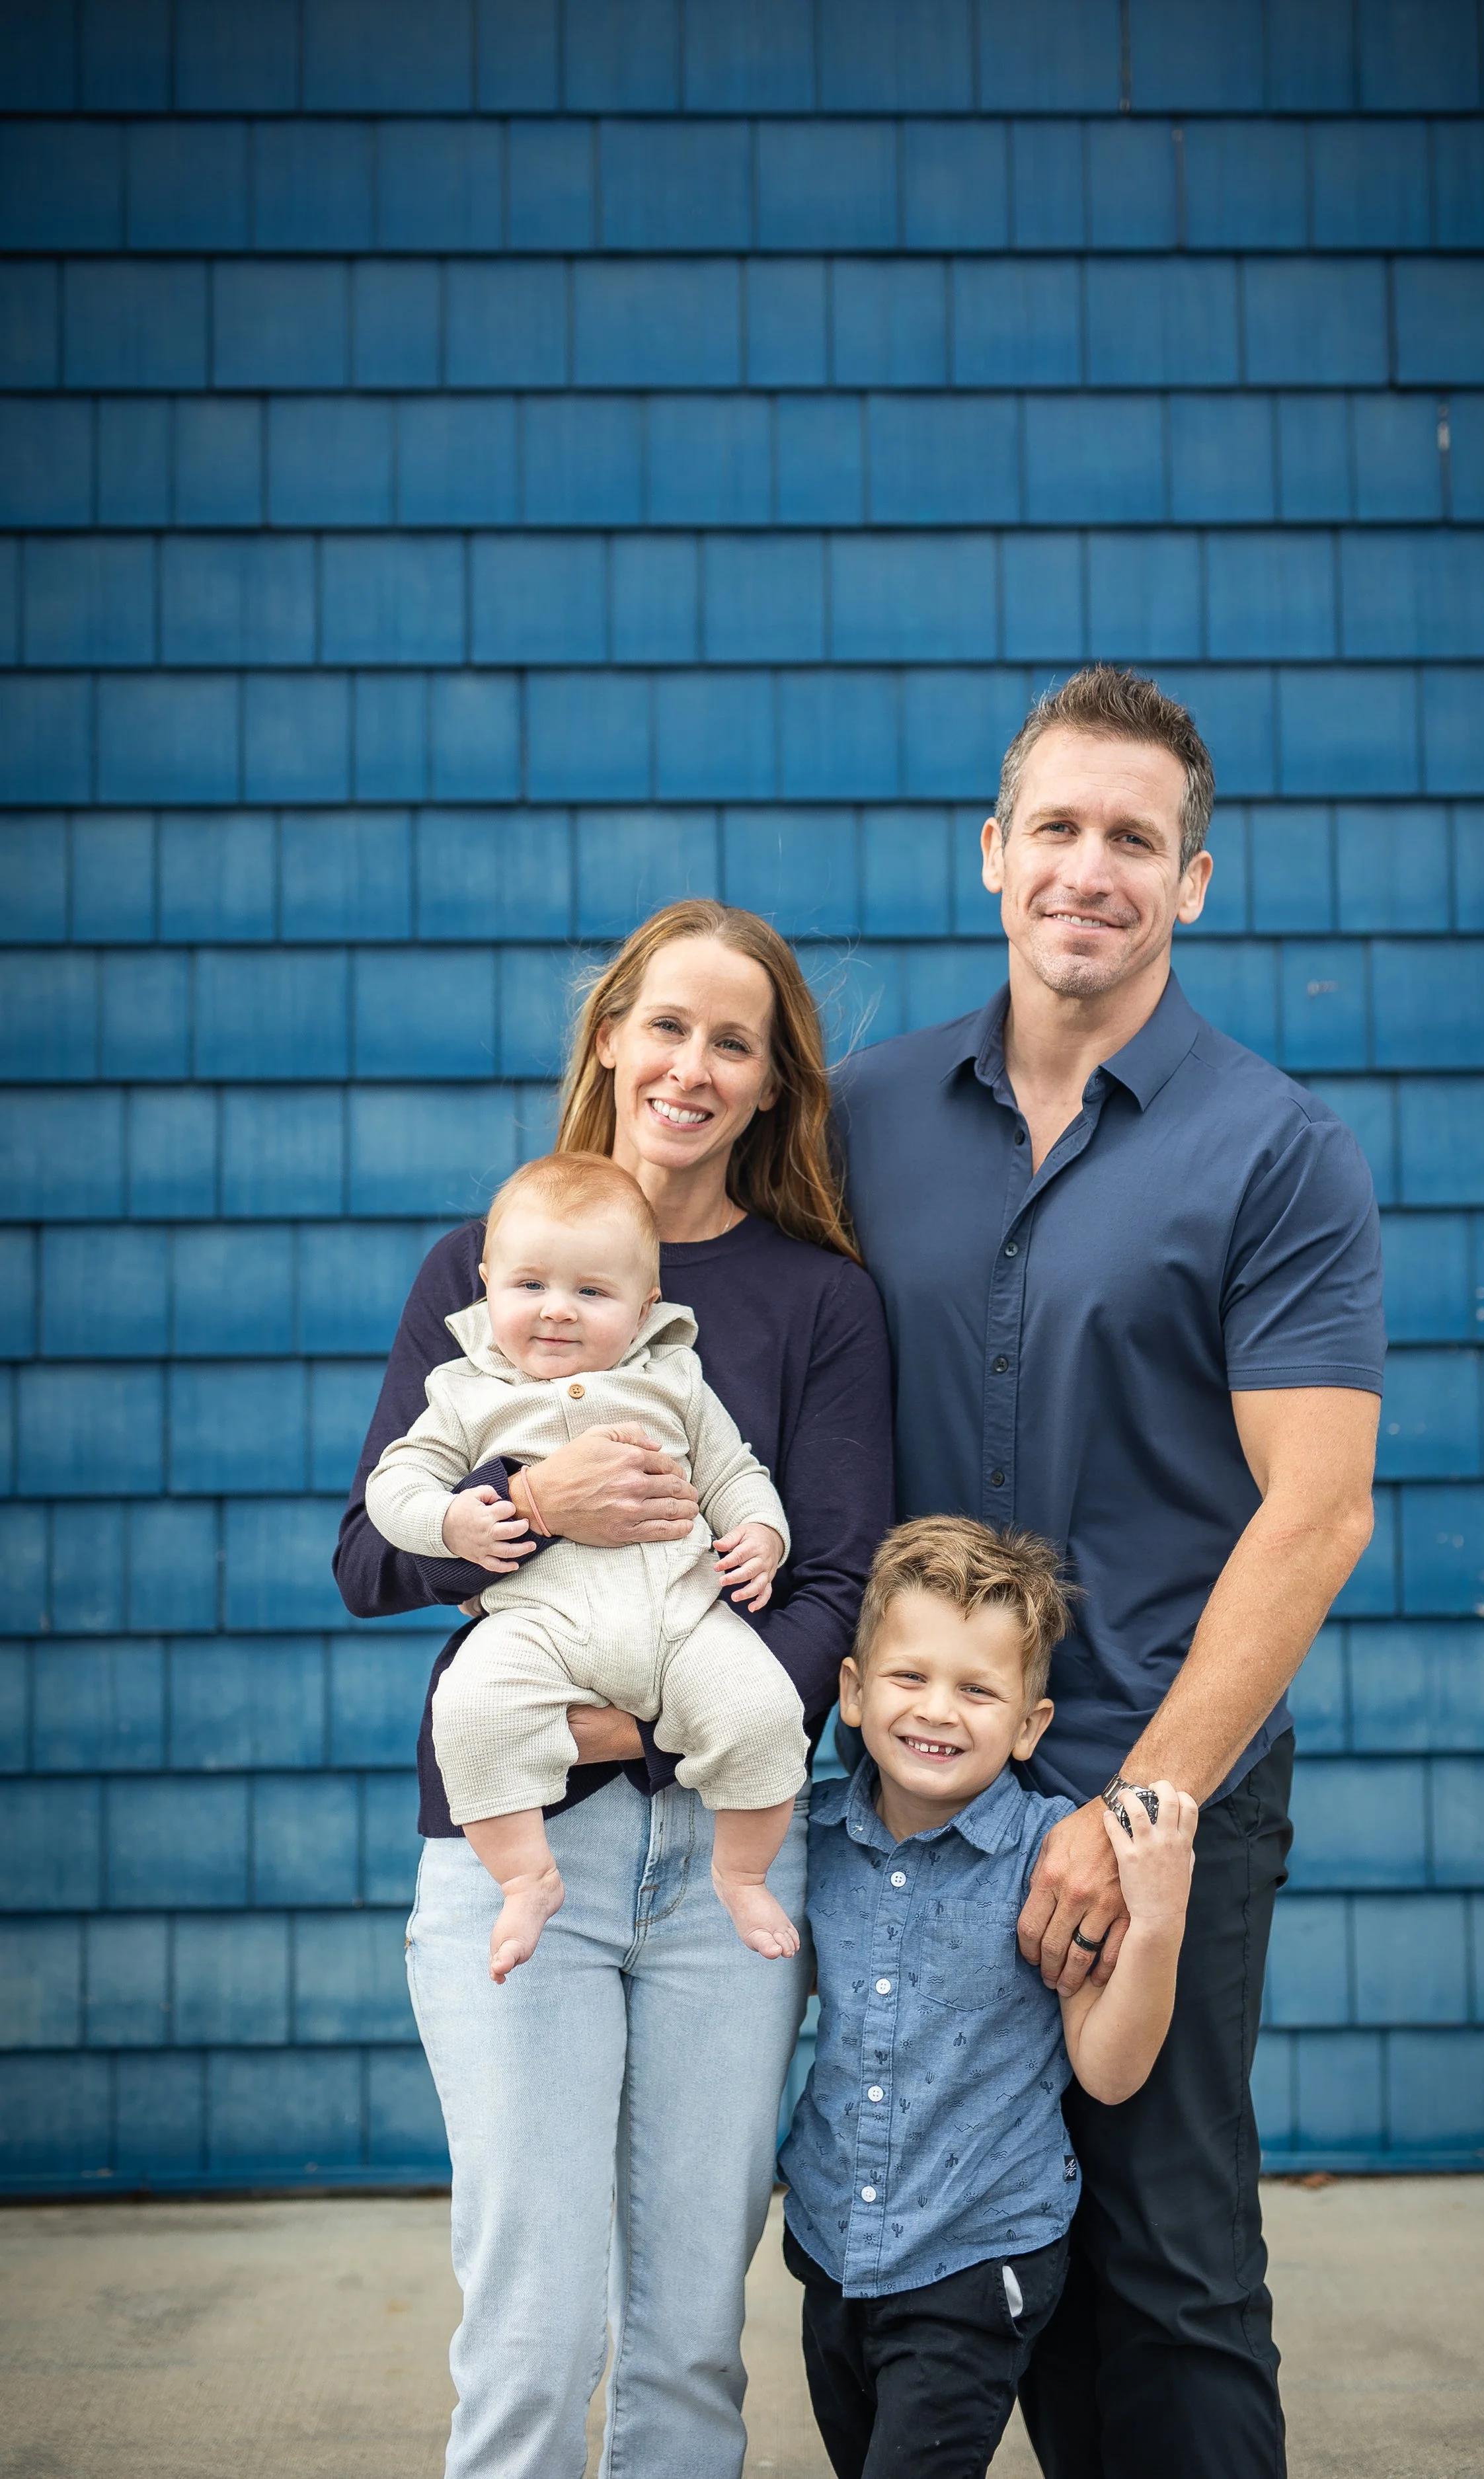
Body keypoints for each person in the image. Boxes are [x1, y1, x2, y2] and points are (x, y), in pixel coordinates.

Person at [833, 666, 1386, 2479]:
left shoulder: (1272, 1146)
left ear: (1193, 880)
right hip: (913, 1787)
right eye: (1055, 827)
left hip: (1166, 1775)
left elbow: (1311, 1510)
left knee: (1160, 2269)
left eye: (1133, 838)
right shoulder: (861, 1116)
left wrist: (1130, 1803)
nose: (1091, 868)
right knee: (919, 2262)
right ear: (991, 852)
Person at [334, 900, 892, 2479]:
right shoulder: (482, 1262)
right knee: (531, 2319)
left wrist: (645, 1724)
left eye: (735, 1040)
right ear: (609, 1038)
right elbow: (370, 1554)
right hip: (526, 1852)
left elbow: (835, 1580)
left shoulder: (818, 1300)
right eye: (665, 1025)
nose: (692, 1065)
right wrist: (529, 1500)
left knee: (687, 2338)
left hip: (731, 1865)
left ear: (775, 1082)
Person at [781, 1516, 1198, 2479]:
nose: (939, 1710)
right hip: (834, 2243)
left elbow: (1109, 2067)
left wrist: (1161, 1920)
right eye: (909, 1676)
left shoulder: (1054, 1860)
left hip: (979, 2255)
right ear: (851, 1691)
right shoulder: (810, 1841)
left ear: (1028, 1725)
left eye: (977, 1688)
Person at [365, 1150, 806, 1978]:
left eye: (592, 1293)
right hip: (539, 1625)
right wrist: (454, 1519)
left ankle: (741, 1874)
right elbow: (395, 1485)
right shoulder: (463, 1390)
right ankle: (526, 1876)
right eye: (529, 1286)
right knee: (469, 1713)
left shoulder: (673, 1381)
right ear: (487, 1281)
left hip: (682, 1621)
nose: (557, 1312)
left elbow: (733, 1469)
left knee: (764, 1711)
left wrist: (760, 1532)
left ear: (645, 1308)